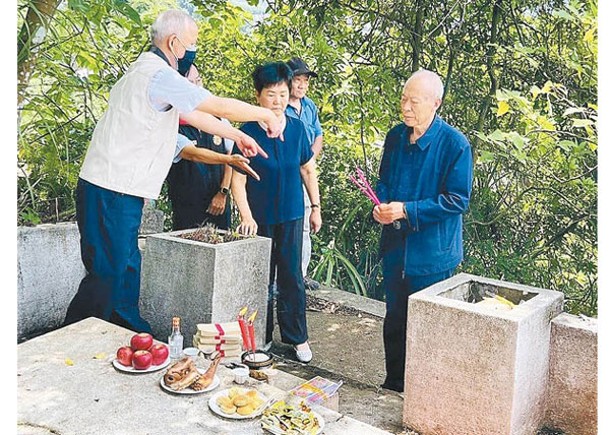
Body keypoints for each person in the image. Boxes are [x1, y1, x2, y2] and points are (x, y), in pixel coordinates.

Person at [64, 9, 282, 333]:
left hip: (120, 189)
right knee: (108, 273)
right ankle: (73, 337)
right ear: (175, 43)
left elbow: (194, 114)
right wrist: (264, 114)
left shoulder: (146, 72)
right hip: (110, 188)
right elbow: (212, 104)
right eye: (192, 43)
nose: (192, 50)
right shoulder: (159, 75)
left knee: (126, 268)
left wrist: (239, 135)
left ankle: (130, 332)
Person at [372, 69, 473, 392]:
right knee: (395, 321)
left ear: (435, 103)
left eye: (414, 101)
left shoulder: (455, 144)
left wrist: (406, 210)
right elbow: (384, 181)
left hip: (433, 255)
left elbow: (457, 200)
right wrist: (381, 206)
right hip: (396, 249)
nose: (406, 107)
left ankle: (427, 394)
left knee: (429, 329)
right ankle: (394, 385)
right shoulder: (395, 137)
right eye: (403, 99)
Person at [231, 62, 322, 363]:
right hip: (259, 218)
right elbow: (237, 178)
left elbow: (308, 169)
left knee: (291, 277)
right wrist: (246, 215)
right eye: (271, 95)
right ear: (258, 96)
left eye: (282, 94)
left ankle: (297, 337)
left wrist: (316, 207)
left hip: (292, 214)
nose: (278, 101)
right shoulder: (247, 132)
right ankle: (261, 337)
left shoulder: (297, 129)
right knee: (259, 278)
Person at [167, 64, 234, 231]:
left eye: (198, 81)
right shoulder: (170, 123)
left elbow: (231, 155)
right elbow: (193, 154)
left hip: (219, 204)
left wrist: (223, 192)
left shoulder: (219, 119)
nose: (195, 87)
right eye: (189, 82)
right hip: (187, 206)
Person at [286, 57, 323, 291]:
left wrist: (310, 157)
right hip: (286, 174)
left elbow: (318, 134)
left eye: (305, 81)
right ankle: (283, 277)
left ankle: (301, 274)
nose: (301, 85)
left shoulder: (309, 106)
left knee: (306, 225)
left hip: (306, 173)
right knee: (286, 225)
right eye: (297, 80)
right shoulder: (279, 107)